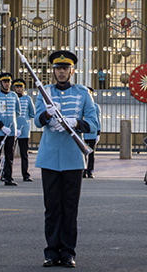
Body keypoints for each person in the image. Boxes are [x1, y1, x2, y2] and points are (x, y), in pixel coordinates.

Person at [34, 50, 99, 268]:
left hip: (72, 158)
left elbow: (93, 123)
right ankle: (51, 251)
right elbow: (36, 120)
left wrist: (76, 123)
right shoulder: (44, 93)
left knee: (70, 207)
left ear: (72, 70)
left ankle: (68, 252)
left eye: (65, 68)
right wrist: (47, 114)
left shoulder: (82, 93)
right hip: (50, 157)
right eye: (57, 68)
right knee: (52, 208)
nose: (61, 72)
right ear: (53, 71)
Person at [0, 71, 19, 186]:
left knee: (9, 156)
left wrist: (13, 125)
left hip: (11, 131)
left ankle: (8, 178)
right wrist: (1, 126)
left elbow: (18, 111)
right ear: (0, 83)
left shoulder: (14, 95)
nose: (7, 84)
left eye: (8, 82)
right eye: (4, 82)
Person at [13, 78, 37, 182]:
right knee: (9, 153)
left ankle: (25, 174)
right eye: (17, 87)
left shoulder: (27, 99)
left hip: (24, 129)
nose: (19, 89)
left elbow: (32, 113)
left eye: (21, 87)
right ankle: (6, 173)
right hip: (12, 129)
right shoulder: (11, 98)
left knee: (24, 154)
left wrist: (25, 121)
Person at [82, 86, 100, 179]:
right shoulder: (80, 105)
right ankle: (83, 170)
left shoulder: (95, 106)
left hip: (91, 134)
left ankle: (90, 171)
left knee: (91, 154)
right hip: (82, 134)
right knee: (83, 153)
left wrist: (98, 133)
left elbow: (97, 120)